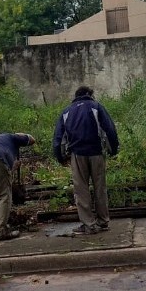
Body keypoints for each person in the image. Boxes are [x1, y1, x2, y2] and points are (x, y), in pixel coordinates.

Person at [52, 86, 119, 235]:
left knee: (81, 190)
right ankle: (102, 221)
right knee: (100, 187)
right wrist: (113, 149)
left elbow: (58, 138)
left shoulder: (66, 111)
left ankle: (89, 224)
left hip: (77, 155)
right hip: (96, 153)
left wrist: (60, 157)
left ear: (76, 96)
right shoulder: (96, 107)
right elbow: (110, 129)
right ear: (90, 95)